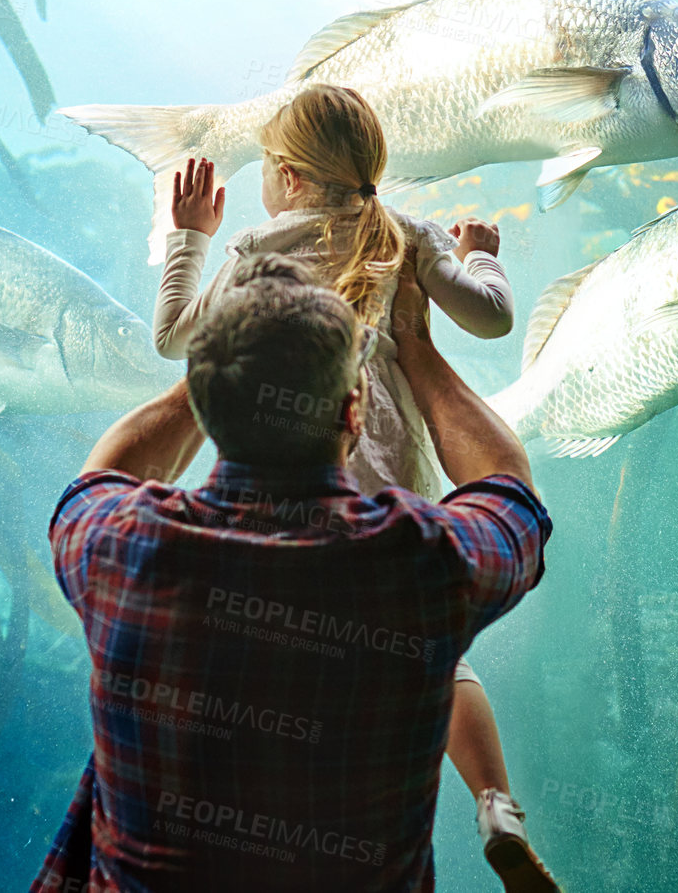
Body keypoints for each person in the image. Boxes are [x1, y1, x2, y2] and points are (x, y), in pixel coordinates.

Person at [33, 253, 552, 892]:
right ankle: (495, 800)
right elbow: (510, 493)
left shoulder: (120, 549)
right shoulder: (417, 563)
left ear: (204, 397)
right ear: (354, 411)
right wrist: (415, 342)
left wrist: (219, 364)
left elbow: (99, 477)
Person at [150, 84, 552, 890]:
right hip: (390, 480)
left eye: (265, 163)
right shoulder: (403, 235)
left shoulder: (259, 248)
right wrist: (479, 256)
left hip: (289, 472)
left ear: (289, 175)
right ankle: (495, 802)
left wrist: (189, 235)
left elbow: (174, 339)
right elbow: (492, 319)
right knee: (439, 657)